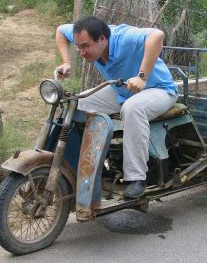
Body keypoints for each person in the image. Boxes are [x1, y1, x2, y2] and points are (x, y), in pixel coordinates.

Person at [55, 16, 177, 199]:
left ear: (102, 39)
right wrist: (66, 62)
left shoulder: (124, 37)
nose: (81, 51)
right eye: (78, 47)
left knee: (132, 108)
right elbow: (60, 31)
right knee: (76, 103)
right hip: (122, 90)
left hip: (159, 90)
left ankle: (136, 178)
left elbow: (157, 35)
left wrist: (142, 77)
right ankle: (84, 167)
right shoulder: (84, 34)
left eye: (85, 46)